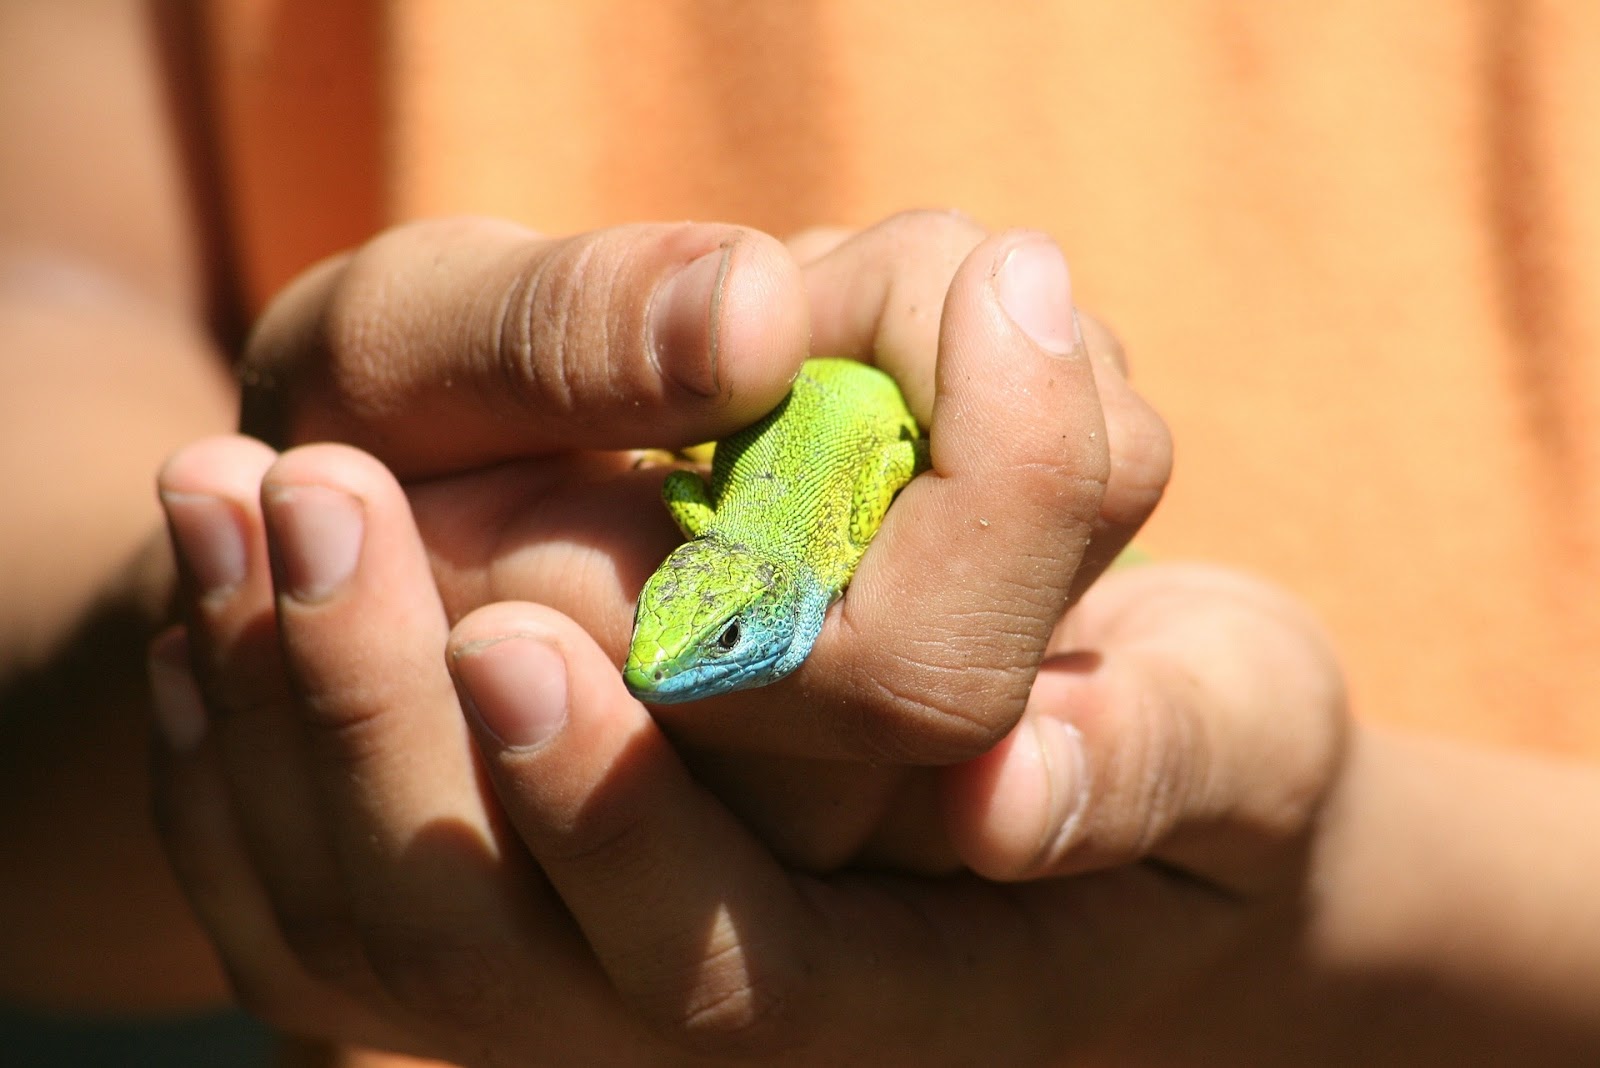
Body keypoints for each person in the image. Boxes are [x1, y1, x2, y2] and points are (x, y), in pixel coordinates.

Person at [4, 3, 1599, 1065]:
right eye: (678, 636)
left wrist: (1341, 898)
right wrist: (258, 616)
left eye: (698, 647)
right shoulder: (732, 569)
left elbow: (848, 478)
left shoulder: (812, 557)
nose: (657, 664)